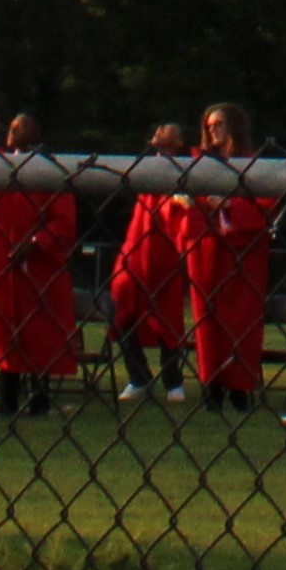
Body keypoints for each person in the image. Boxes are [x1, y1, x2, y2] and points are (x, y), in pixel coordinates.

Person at [0, 108, 79, 414]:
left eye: (21, 127)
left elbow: (62, 221)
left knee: (39, 335)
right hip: (4, 268)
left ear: (36, 133)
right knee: (7, 335)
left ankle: (39, 399)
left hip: (38, 270)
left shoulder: (48, 171)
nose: (12, 130)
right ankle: (6, 400)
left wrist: (34, 244)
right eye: (12, 125)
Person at [178, 105, 283, 412]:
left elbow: (265, 207)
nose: (214, 131)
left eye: (220, 124)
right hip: (207, 251)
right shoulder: (199, 163)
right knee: (207, 322)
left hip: (242, 255)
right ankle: (212, 387)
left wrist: (229, 206)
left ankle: (239, 387)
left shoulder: (253, 165)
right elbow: (189, 206)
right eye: (209, 126)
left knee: (241, 322)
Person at [108, 126, 199, 399]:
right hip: (134, 256)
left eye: (167, 130)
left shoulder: (188, 169)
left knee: (168, 324)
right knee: (121, 315)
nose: (159, 131)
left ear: (180, 140)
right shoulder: (145, 166)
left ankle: (173, 381)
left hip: (165, 257)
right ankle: (139, 376)